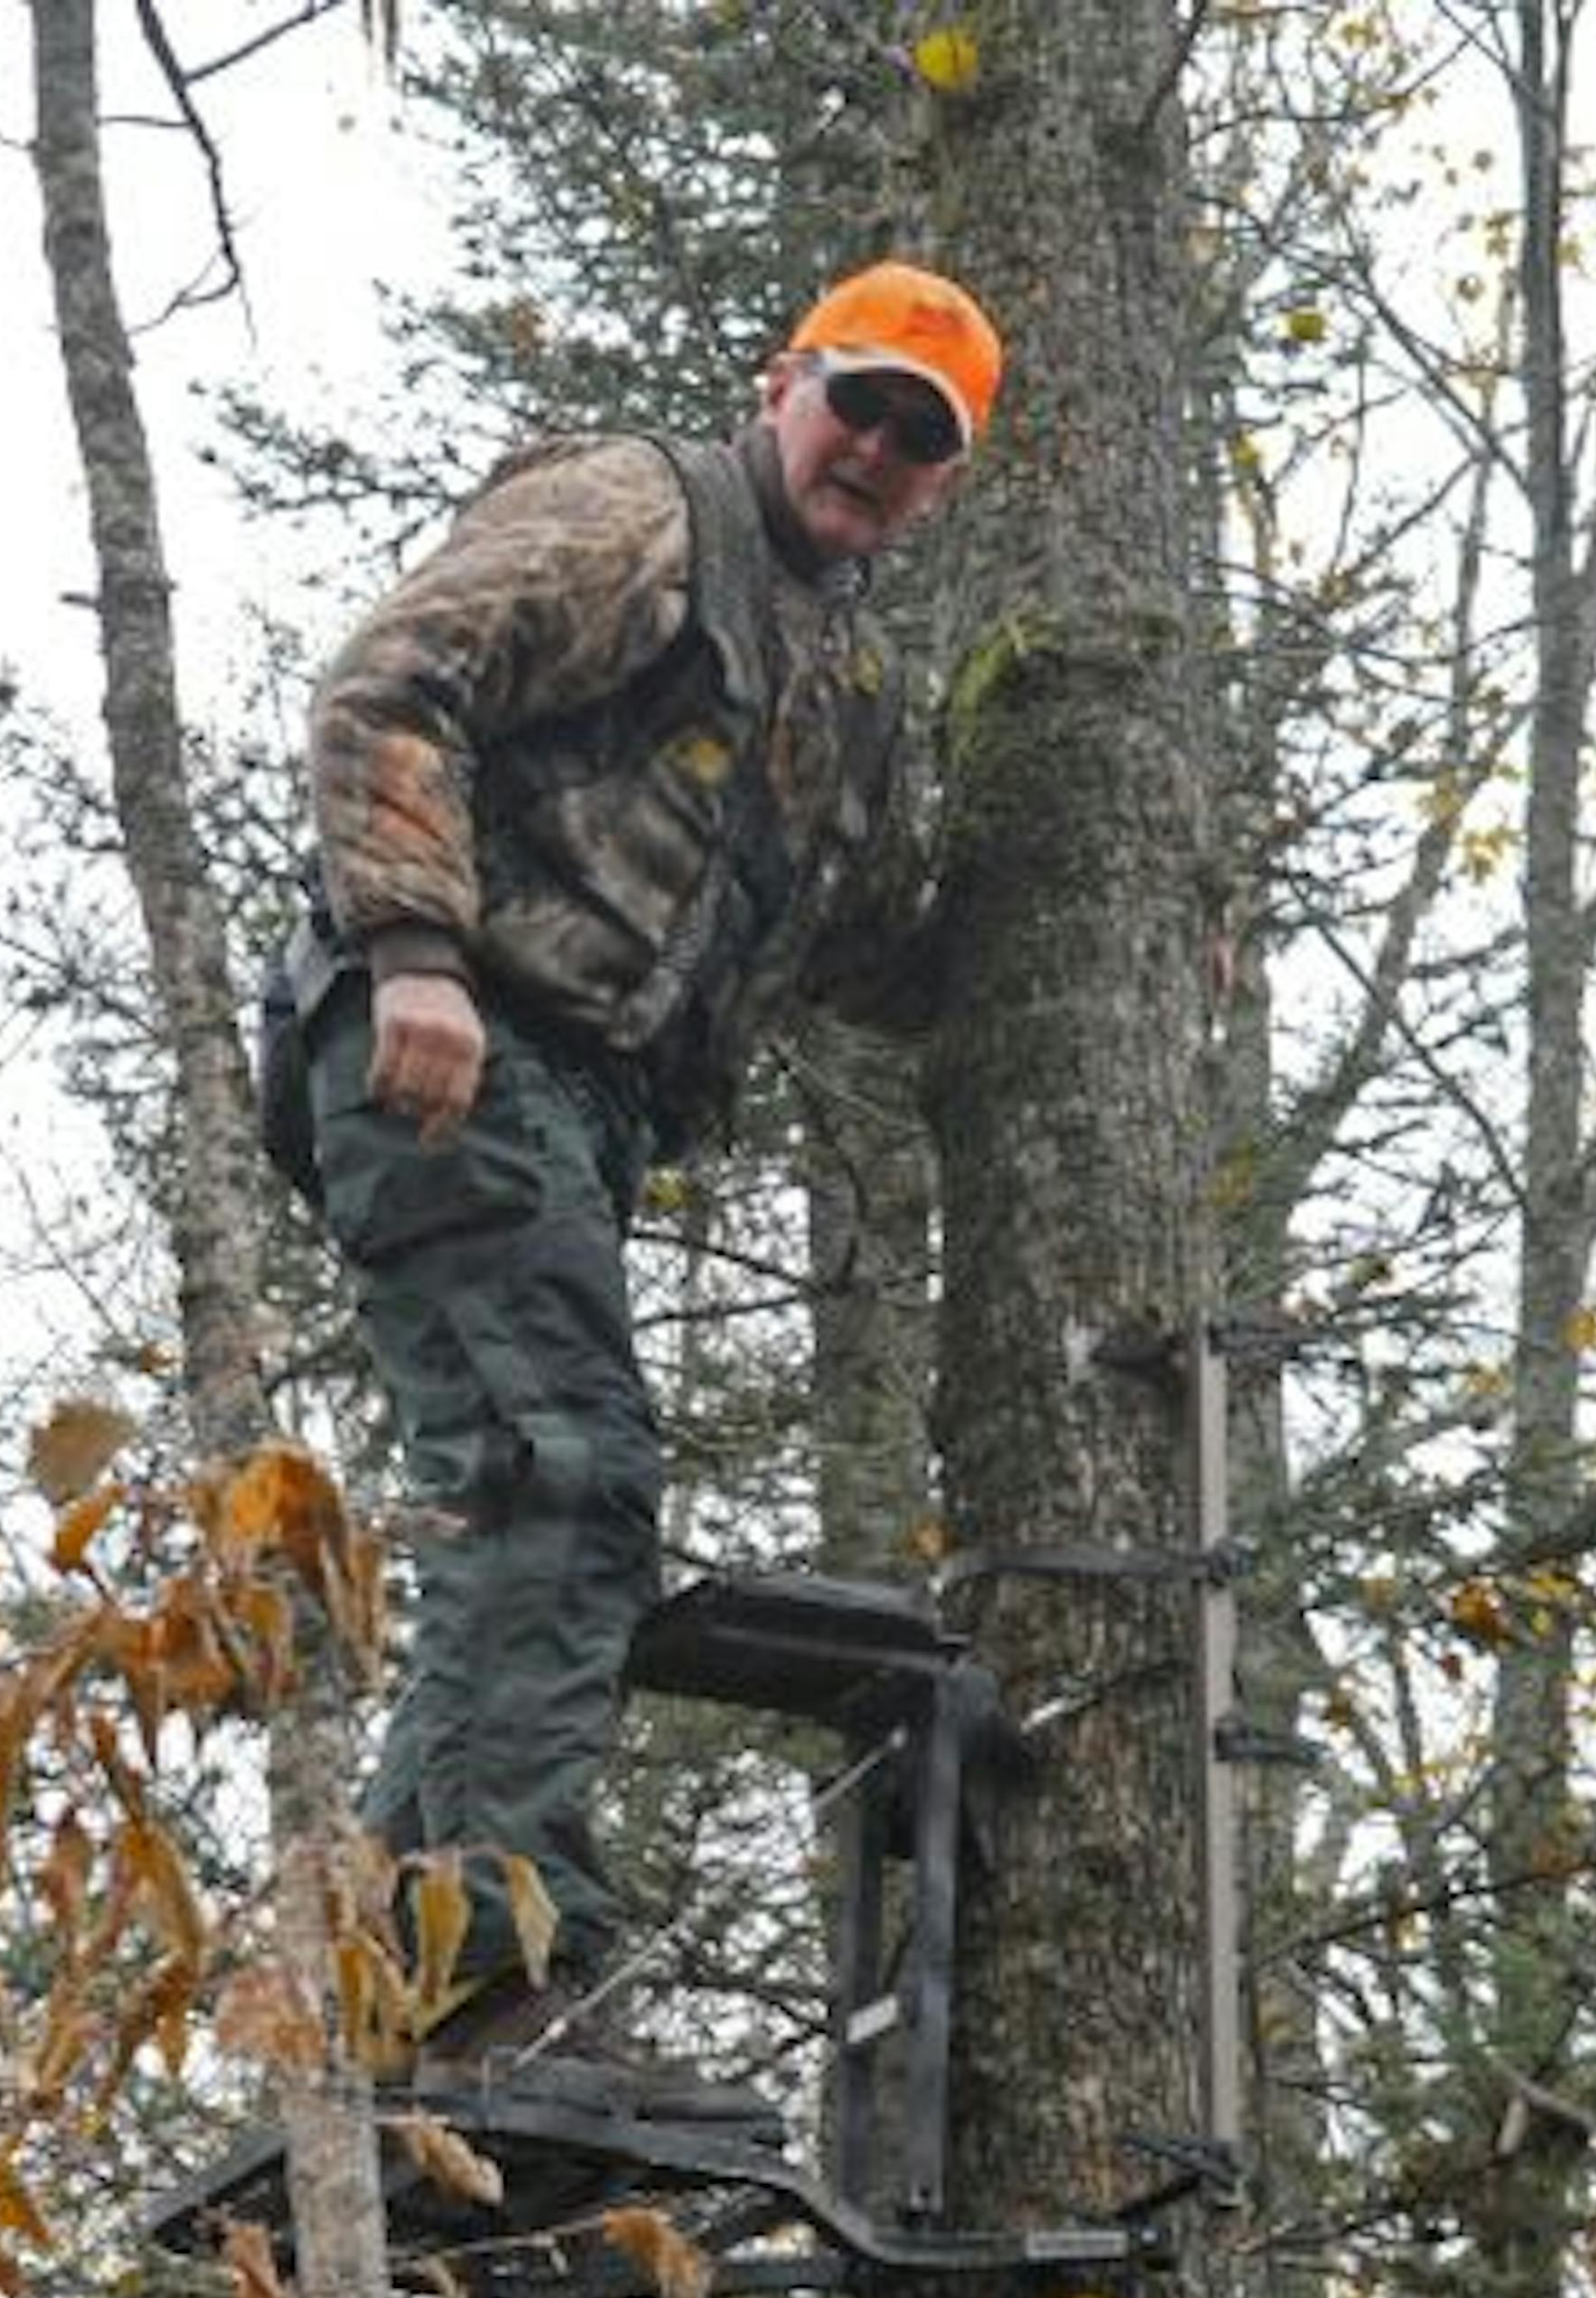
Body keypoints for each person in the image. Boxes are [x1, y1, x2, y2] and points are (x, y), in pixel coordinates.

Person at [298, 261, 1003, 2109]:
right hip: (457, 1041)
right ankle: (500, 1996)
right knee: (567, 1474)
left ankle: (396, 2023)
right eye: (860, 400)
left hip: (575, 1109)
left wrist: (1132, 928)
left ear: (943, 485)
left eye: (921, 439)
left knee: (537, 1484)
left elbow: (863, 944)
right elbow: (394, 678)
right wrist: (415, 951)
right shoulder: (641, 514)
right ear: (788, 380)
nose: (875, 448)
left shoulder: (836, 676)